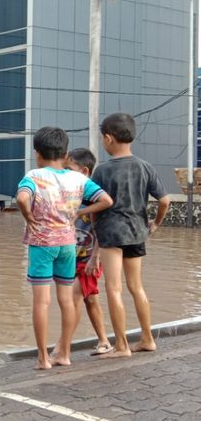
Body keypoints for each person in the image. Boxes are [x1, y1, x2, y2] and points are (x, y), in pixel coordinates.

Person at [16, 127, 113, 370]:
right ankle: (65, 354)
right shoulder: (79, 179)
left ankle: (43, 358)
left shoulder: (34, 175)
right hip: (68, 245)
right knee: (67, 301)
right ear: (65, 152)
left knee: (42, 302)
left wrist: (28, 217)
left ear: (37, 153)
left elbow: (21, 198)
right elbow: (106, 201)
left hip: (41, 245)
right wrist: (80, 212)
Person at [91, 113, 170, 358]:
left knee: (114, 289)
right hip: (137, 232)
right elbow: (165, 201)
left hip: (111, 234)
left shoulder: (102, 171)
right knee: (136, 287)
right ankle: (147, 339)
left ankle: (122, 346)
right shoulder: (144, 166)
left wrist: (94, 231)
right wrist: (154, 224)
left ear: (108, 138)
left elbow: (95, 206)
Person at [51, 148, 113, 359]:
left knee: (74, 297)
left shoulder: (94, 198)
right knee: (90, 300)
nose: (65, 174)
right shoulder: (69, 196)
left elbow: (100, 232)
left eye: (69, 169)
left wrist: (95, 258)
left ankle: (61, 347)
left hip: (89, 259)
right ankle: (104, 341)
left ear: (84, 171)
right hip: (72, 256)